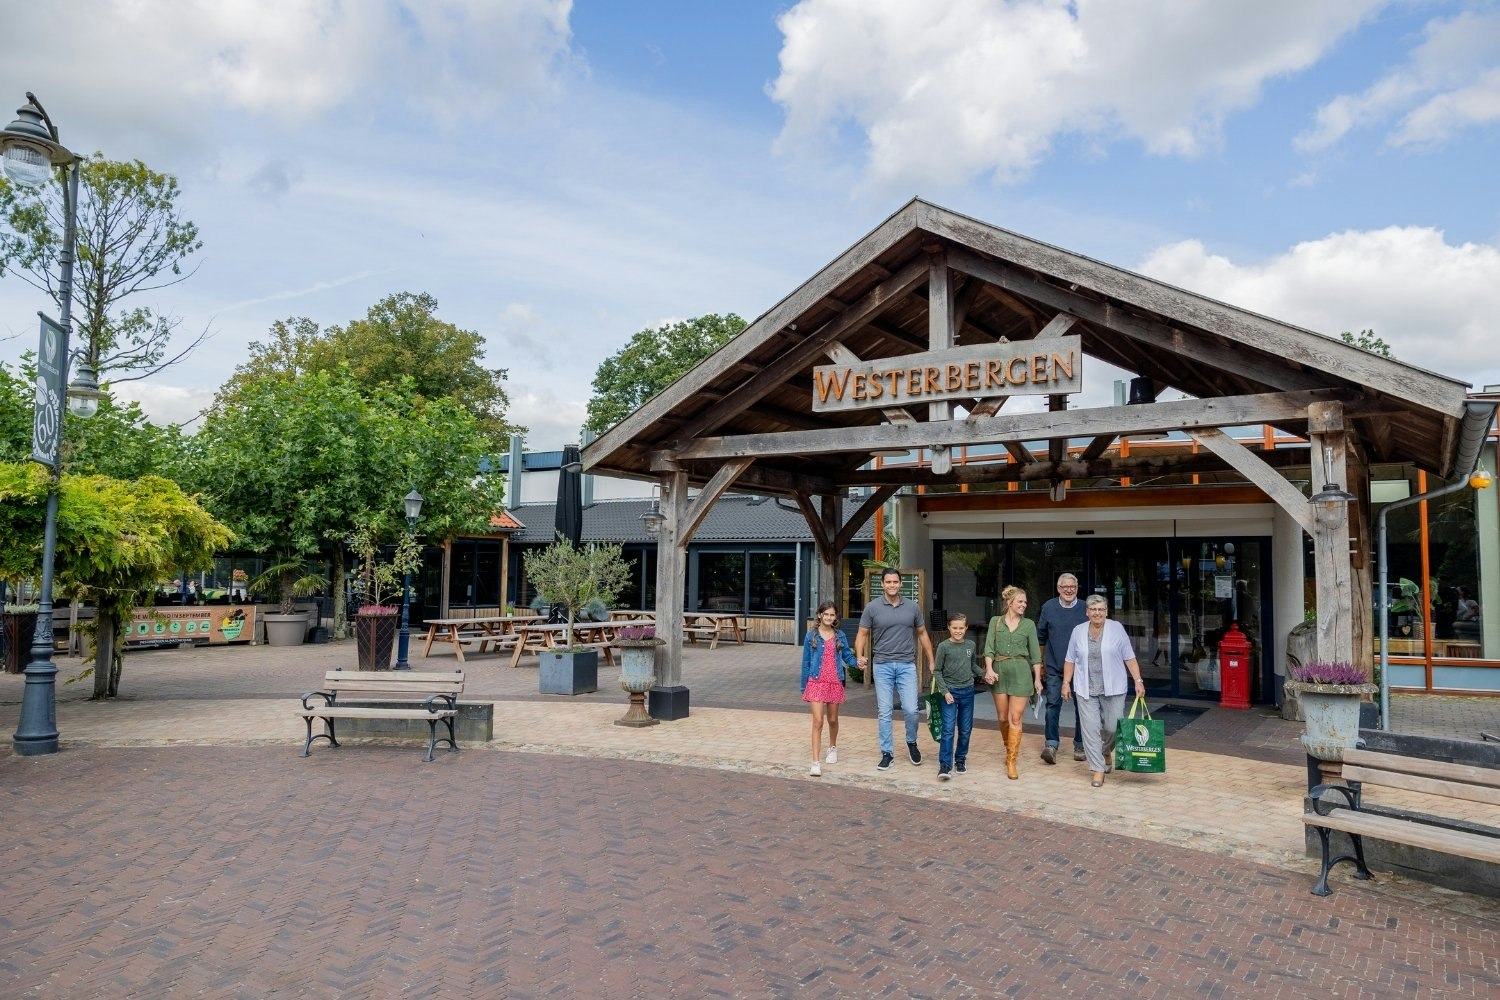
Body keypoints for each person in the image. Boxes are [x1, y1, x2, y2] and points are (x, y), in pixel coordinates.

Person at [1062, 594, 1147, 788]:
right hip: (1085, 688)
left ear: (1106, 612)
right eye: (1093, 609)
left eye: (1100, 609)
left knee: (1113, 728)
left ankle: (1106, 750)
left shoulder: (1117, 629)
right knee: (1090, 729)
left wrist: (1138, 680)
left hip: (1114, 688)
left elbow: (1129, 657)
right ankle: (1098, 768)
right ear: (1087, 612)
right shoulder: (1078, 631)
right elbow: (1070, 659)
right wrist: (1066, 682)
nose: (1097, 613)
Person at [856, 568, 936, 771]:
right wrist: (859, 655)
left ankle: (911, 742)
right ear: (882, 584)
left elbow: (922, 634)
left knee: (911, 710)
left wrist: (931, 660)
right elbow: (862, 634)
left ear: (900, 584)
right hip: (882, 665)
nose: (892, 585)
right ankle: (887, 753)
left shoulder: (912, 607)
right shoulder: (872, 608)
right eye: (888, 582)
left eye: (895, 582)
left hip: (906, 665)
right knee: (885, 711)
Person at [983, 585, 1043, 780]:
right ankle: (1008, 747)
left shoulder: (1029, 625)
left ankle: (1011, 760)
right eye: (1020, 601)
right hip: (999, 672)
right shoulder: (995, 622)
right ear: (1009, 602)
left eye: (1025, 602)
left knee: (1015, 719)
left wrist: (1037, 679)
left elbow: (1035, 655)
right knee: (1002, 718)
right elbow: (989, 649)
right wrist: (989, 669)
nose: (1024, 605)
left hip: (1021, 673)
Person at [1036, 573, 1088, 765]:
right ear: (1058, 589)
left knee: (1082, 707)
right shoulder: (1048, 607)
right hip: (1054, 667)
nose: (1069, 590)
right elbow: (1041, 638)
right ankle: (1051, 744)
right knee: (1052, 706)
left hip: (1081, 669)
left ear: (1077, 588)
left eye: (1072, 586)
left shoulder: (1085, 608)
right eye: (1065, 587)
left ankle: (1080, 745)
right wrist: (1040, 664)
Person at [800, 601, 855, 776]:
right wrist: (804, 686)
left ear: (835, 617)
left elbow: (847, 655)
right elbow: (806, 662)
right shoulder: (811, 636)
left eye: (832, 615)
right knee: (818, 721)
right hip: (816, 682)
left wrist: (858, 663)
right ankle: (815, 762)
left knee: (832, 719)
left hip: (834, 682)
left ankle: (832, 747)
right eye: (826, 614)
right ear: (819, 615)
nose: (829, 617)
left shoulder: (840, 635)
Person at [932, 612, 983, 781]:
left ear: (966, 628)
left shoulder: (970, 645)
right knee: (948, 730)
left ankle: (960, 759)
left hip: (968, 692)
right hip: (950, 693)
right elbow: (937, 671)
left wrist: (985, 674)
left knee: (966, 729)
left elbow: (972, 665)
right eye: (954, 628)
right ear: (949, 627)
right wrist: (945, 691)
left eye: (961, 628)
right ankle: (945, 765)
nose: (958, 631)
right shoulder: (943, 647)